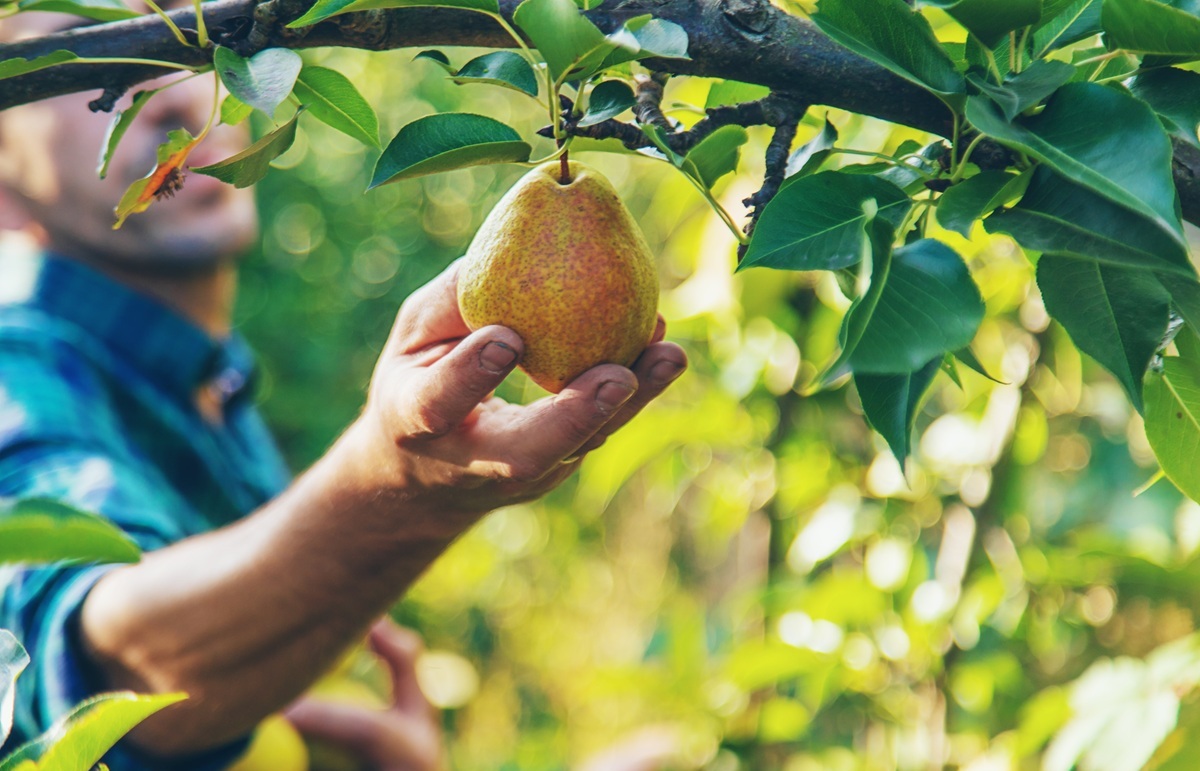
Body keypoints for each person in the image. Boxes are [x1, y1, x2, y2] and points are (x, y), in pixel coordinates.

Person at [0, 10, 688, 769]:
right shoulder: (17, 375)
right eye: (93, 61)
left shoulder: (209, 381)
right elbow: (104, 671)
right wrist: (397, 481)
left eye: (174, 35)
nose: (172, 94)